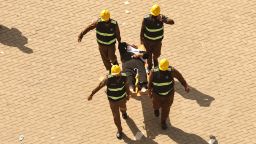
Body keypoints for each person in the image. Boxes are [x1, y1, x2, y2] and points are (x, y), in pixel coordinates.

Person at [88, 65, 130, 139]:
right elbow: (99, 86)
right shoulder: (108, 79)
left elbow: (126, 86)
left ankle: (124, 113)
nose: (117, 75)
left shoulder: (124, 76)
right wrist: (92, 94)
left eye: (118, 73)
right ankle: (120, 130)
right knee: (116, 117)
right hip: (113, 101)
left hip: (122, 99)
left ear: (120, 72)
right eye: (115, 74)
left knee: (123, 108)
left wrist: (128, 94)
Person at [148, 58, 190, 130]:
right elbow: (149, 83)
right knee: (155, 105)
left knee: (166, 109)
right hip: (157, 95)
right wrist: (149, 92)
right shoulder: (153, 72)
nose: (163, 70)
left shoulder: (172, 71)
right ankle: (156, 109)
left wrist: (185, 85)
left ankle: (163, 122)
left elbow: (180, 77)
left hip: (169, 95)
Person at [140, 4, 175, 72]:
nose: (154, 16)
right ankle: (150, 67)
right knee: (149, 55)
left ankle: (155, 61)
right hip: (147, 41)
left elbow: (172, 22)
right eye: (153, 15)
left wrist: (162, 20)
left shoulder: (162, 17)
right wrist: (141, 41)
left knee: (157, 54)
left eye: (155, 15)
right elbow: (142, 30)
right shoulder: (146, 19)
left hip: (157, 42)